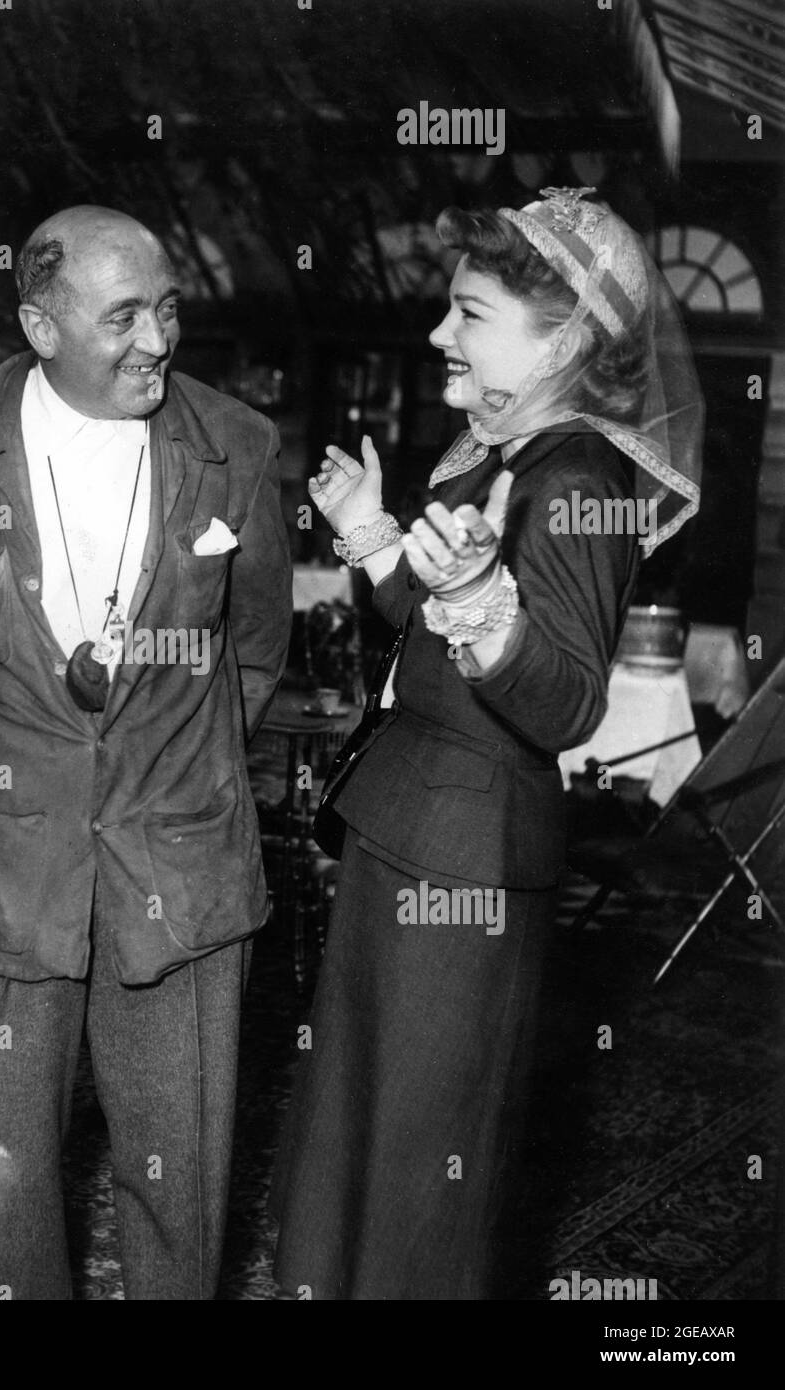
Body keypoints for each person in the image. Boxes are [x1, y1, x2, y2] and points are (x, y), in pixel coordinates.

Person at [271, 187, 702, 1299]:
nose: (437, 335)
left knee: (423, 1154)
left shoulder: (573, 482)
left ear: (560, 336)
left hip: (465, 858)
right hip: (407, 830)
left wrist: (476, 593)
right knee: (359, 1116)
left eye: (467, 312)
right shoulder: (492, 451)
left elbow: (561, 708)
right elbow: (418, 625)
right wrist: (373, 530)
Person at [0, 205, 291, 1299]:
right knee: (11, 1180)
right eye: (122, 317)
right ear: (39, 322)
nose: (155, 339)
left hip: (183, 868)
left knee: (182, 1177)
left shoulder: (238, 449)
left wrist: (162, 765)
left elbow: (252, 654)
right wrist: (40, 754)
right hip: (13, 874)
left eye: (165, 309)